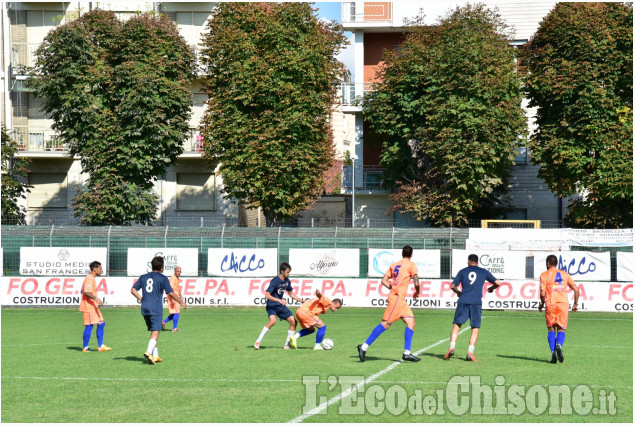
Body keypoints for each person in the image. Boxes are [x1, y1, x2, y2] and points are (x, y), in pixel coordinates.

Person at [357, 245, 421, 362]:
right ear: (411, 255)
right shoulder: (411, 265)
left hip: (400, 299)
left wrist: (392, 287)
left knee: (411, 322)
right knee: (385, 324)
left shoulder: (394, 265)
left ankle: (407, 353)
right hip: (396, 298)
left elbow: (383, 281)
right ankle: (364, 346)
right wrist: (417, 292)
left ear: (402, 253)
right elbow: (416, 283)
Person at [444, 254, 501, 362]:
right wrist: (491, 288)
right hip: (476, 303)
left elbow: (452, 286)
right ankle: (470, 352)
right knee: (475, 328)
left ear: (468, 261)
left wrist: (459, 292)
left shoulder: (462, 271)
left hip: (463, 301)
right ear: (477, 262)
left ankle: (451, 348)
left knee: (457, 325)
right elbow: (498, 283)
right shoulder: (483, 271)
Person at [131, 256, 187, 365]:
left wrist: (141, 299)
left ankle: (155, 356)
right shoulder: (162, 278)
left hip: (145, 307)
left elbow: (133, 290)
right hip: (155, 307)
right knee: (156, 331)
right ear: (162, 267)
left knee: (154, 331)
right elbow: (170, 292)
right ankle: (148, 352)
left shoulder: (143, 277)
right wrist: (181, 302)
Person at [539, 254, 579, 363]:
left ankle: (553, 353)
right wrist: (575, 304)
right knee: (561, 329)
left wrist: (542, 303)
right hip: (563, 304)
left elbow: (542, 293)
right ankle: (559, 345)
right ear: (556, 263)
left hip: (550, 304)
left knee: (551, 328)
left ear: (548, 263)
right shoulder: (565, 274)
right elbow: (576, 290)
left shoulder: (544, 275)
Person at [254, 263, 303, 350]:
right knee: (273, 321)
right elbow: (267, 295)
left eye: (289, 272)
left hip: (280, 305)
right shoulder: (275, 281)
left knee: (293, 322)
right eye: (287, 272)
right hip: (272, 304)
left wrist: (301, 301)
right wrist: (279, 300)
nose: (289, 274)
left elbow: (291, 293)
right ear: (282, 271)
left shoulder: (287, 281)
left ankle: (287, 344)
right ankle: (258, 341)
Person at [79, 261, 111, 352]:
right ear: (94, 269)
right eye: (100, 268)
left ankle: (100, 346)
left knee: (101, 323)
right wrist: (96, 299)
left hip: (93, 306)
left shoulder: (92, 278)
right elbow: (86, 292)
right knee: (89, 326)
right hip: (88, 306)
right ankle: (85, 347)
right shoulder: (89, 278)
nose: (101, 270)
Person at [162, 266, 183, 332]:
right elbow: (170, 289)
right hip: (173, 297)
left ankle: (163, 322)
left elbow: (177, 288)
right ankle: (174, 328)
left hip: (175, 297)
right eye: (178, 271)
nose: (179, 273)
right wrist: (173, 299)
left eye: (180, 271)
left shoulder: (176, 278)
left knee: (174, 313)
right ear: (175, 271)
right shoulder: (173, 279)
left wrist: (180, 295)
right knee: (177, 312)